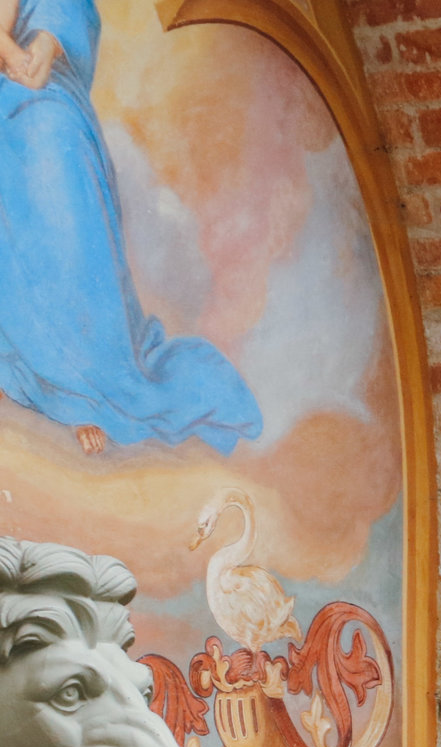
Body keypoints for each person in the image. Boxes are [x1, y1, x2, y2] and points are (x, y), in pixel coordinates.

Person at [0, 0, 263, 456]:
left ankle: (86, 389)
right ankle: (29, 377)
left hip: (41, 98)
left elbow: (68, 10)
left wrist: (46, 43)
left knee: (55, 148)